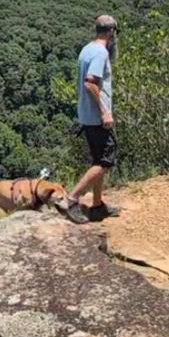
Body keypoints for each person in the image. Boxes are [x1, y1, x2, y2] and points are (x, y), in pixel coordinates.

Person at [67, 14, 122, 222]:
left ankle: (97, 205)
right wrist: (105, 111)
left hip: (87, 115)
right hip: (97, 117)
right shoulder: (100, 52)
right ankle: (71, 199)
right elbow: (90, 83)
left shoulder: (87, 49)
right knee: (106, 161)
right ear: (111, 32)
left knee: (99, 159)